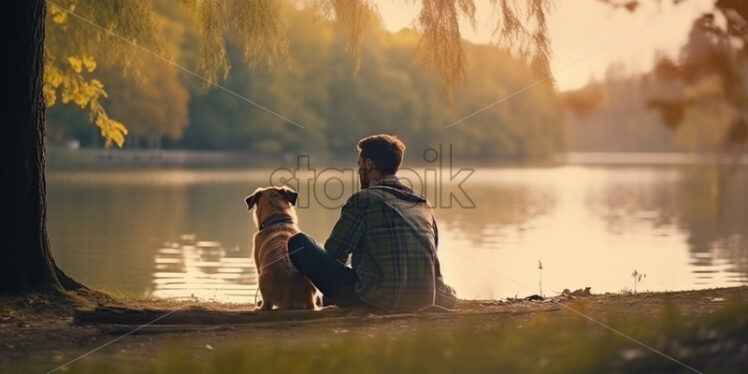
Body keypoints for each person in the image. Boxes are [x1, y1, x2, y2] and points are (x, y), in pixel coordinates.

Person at [287, 134, 457, 312]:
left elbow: (335, 255)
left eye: (359, 166)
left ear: (369, 165)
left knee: (300, 243)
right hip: (424, 299)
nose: (359, 172)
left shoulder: (363, 200)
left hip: (375, 301)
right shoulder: (422, 203)